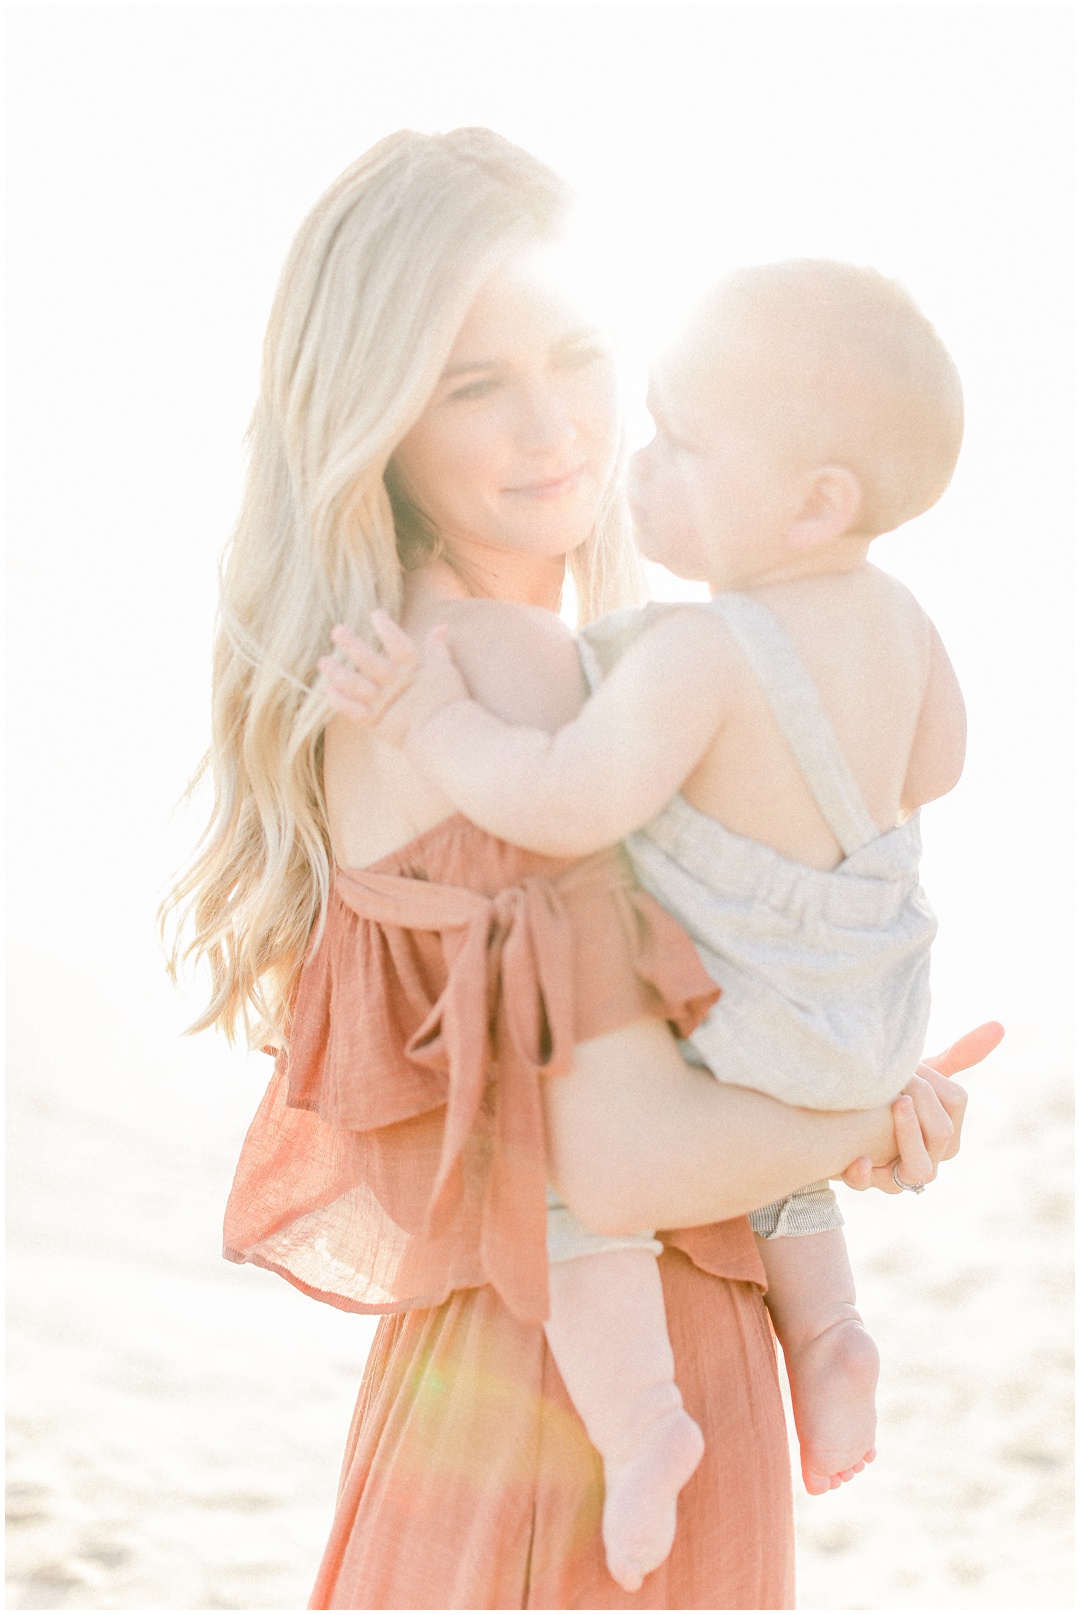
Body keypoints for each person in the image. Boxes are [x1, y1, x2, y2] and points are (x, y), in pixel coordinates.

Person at [164, 128, 997, 1610]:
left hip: (496, 1384)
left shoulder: (433, 663)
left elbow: (598, 1097)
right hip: (602, 1405)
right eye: (475, 385)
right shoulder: (507, 682)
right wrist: (856, 1107)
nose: (557, 429)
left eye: (582, 356)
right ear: (379, 418)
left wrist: (830, 1092)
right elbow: (624, 1163)